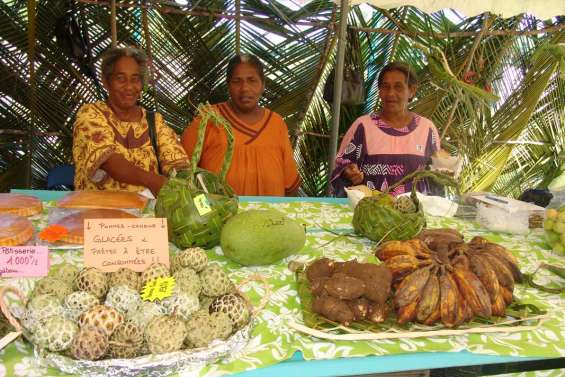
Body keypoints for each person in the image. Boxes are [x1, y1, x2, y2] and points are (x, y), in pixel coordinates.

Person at [72, 47, 189, 196]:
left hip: (146, 213)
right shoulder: (90, 114)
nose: (129, 86)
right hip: (99, 212)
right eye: (120, 78)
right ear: (106, 82)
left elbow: (177, 163)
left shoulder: (154, 121)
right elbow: (110, 162)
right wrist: (153, 181)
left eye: (135, 79)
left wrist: (182, 181)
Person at [181, 54, 300, 196]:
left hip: (268, 214)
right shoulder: (208, 119)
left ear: (263, 85)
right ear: (228, 85)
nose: (245, 88)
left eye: (252, 80)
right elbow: (181, 174)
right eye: (237, 81)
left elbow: (290, 184)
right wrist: (203, 211)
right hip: (219, 215)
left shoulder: (276, 123)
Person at [330, 62, 440, 197]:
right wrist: (349, 172)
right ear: (380, 91)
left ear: (412, 91)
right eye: (385, 87)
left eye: (398, 87)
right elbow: (342, 167)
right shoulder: (363, 126)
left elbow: (437, 177)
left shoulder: (427, 129)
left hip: (414, 213)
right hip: (371, 212)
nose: (391, 93)